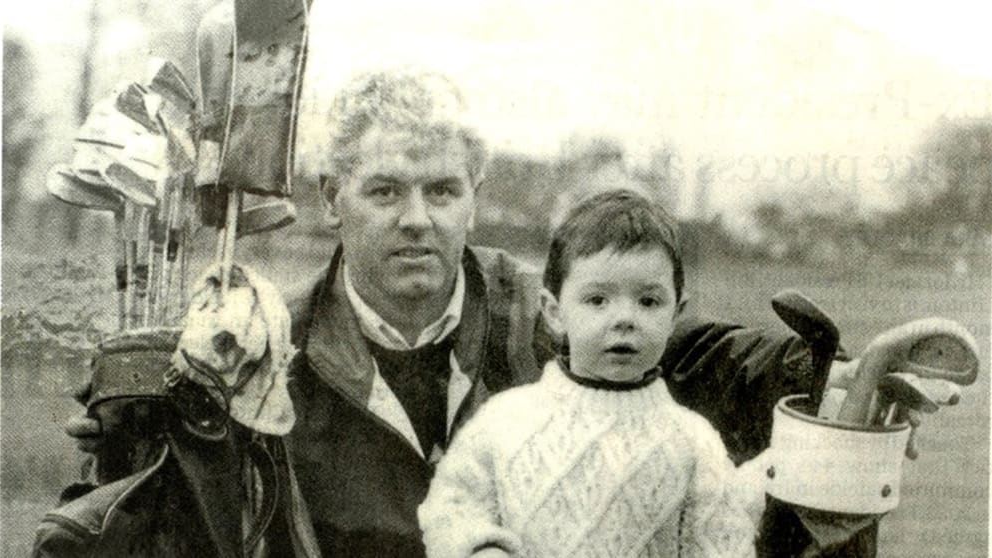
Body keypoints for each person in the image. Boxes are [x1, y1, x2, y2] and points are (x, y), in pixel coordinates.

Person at [57, 67, 950, 558]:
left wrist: (813, 375)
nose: (416, 217)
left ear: (475, 197)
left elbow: (691, 351)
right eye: (385, 189)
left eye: (442, 188)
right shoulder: (263, 355)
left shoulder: (540, 309)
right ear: (333, 197)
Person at [419, 190, 760, 558]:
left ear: (676, 313)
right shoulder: (506, 419)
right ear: (553, 312)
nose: (624, 319)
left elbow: (725, 544)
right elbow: (450, 507)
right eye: (597, 300)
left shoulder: (693, 441)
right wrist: (480, 546)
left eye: (648, 301)